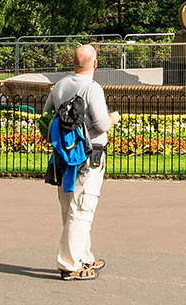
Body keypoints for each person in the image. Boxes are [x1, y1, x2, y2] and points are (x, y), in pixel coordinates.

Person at [47, 44, 119, 281]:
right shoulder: (92, 88)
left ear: (74, 64)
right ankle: (69, 265)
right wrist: (113, 118)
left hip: (65, 155)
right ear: (95, 64)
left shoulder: (59, 86)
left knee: (70, 206)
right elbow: (101, 124)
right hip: (89, 156)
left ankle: (84, 256)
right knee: (83, 208)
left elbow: (47, 116)